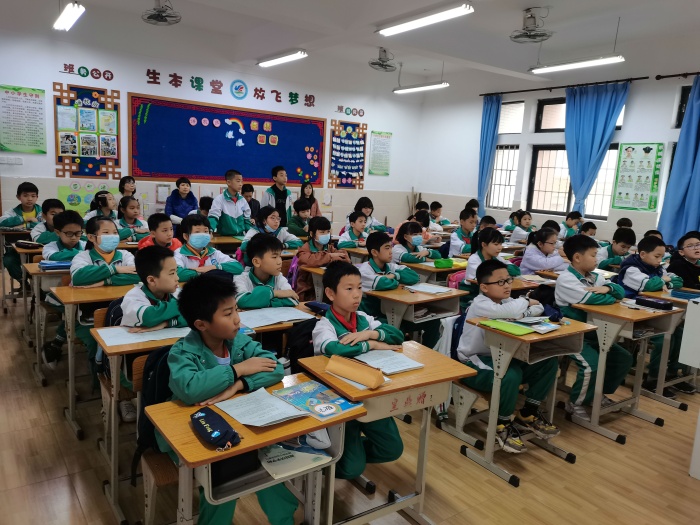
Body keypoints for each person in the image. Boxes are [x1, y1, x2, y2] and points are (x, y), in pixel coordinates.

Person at [161, 273, 299, 525]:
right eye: (228, 313)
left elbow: (276, 368)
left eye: (236, 309)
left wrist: (239, 385)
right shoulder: (182, 352)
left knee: (268, 467)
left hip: (239, 424)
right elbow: (190, 389)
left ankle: (284, 519)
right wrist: (238, 370)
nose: (237, 318)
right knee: (225, 477)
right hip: (194, 434)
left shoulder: (238, 341)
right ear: (201, 324)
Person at [312, 261, 404, 479]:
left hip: (371, 392)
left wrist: (370, 334)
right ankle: (324, 461)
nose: (357, 294)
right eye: (349, 288)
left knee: (392, 448)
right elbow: (335, 349)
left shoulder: (364, 320)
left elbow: (397, 336)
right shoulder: (324, 326)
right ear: (330, 294)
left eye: (360, 287)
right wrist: (372, 345)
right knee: (352, 469)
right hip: (340, 401)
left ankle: (352, 453)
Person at [457, 259, 560, 453]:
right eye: (500, 282)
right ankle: (501, 424)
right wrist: (526, 302)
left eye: (508, 280)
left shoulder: (505, 301)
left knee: (547, 362)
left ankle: (528, 413)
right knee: (510, 374)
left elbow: (538, 308)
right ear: (484, 287)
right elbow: (516, 309)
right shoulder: (480, 304)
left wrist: (522, 310)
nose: (507, 285)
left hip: (502, 356)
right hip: (475, 362)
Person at [555, 235, 632, 420]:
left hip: (593, 333)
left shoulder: (595, 276)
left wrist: (608, 289)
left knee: (623, 358)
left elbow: (620, 291)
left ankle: (597, 394)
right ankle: (575, 403)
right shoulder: (566, 279)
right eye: (593, 255)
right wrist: (609, 295)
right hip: (571, 334)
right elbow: (591, 299)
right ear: (577, 257)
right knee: (592, 365)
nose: (597, 259)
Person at [615, 235, 689, 395]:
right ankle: (653, 379)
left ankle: (670, 373)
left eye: (662, 256)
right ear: (642, 254)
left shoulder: (656, 268)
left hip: (651, 311)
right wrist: (664, 280)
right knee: (664, 337)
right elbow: (649, 285)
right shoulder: (631, 269)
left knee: (679, 332)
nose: (660, 260)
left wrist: (665, 281)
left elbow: (678, 281)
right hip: (631, 314)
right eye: (657, 256)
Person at [70, 217, 140, 378]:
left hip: (124, 313)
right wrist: (115, 270)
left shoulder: (125, 255)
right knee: (95, 343)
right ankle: (100, 380)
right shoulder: (83, 257)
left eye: (115, 232)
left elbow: (138, 275)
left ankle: (122, 379)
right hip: (90, 316)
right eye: (106, 233)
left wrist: (105, 281)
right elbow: (79, 277)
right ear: (91, 237)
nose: (113, 236)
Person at [40, 211, 86, 368]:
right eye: (69, 233)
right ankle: (57, 343)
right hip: (53, 292)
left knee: (82, 310)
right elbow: (55, 257)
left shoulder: (85, 245)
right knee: (77, 310)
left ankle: (56, 343)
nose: (74, 237)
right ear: (57, 232)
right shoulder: (50, 247)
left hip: (79, 290)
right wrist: (81, 255)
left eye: (78, 233)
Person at [121, 246, 187, 330]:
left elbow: (195, 317)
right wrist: (183, 304)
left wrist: (167, 323)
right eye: (172, 273)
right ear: (151, 280)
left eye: (176, 272)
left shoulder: (176, 292)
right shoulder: (133, 297)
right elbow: (149, 317)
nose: (177, 278)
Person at [359, 231, 420, 318]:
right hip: (372, 315)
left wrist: (394, 276)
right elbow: (382, 283)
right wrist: (398, 281)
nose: (391, 251)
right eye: (387, 248)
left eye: (391, 247)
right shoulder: (365, 270)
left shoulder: (390, 266)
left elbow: (414, 276)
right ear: (374, 252)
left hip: (389, 310)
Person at [234, 235, 299, 309]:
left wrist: (257, 301)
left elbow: (293, 300)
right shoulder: (241, 279)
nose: (280, 262)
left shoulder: (278, 278)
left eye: (280, 256)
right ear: (256, 262)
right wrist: (274, 293)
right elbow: (242, 301)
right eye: (274, 257)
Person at [174, 215, 243, 281]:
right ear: (186, 236)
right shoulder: (179, 254)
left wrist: (214, 267)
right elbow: (177, 273)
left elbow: (238, 267)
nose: (203, 235)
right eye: (197, 232)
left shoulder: (213, 252)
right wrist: (208, 272)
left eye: (206, 231)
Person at [296, 217, 349, 301]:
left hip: (327, 286)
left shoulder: (329, 247)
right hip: (309, 290)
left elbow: (344, 258)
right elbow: (311, 261)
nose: (326, 235)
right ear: (312, 233)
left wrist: (332, 256)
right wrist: (330, 256)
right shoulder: (305, 249)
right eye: (322, 232)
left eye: (328, 231)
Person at [0, 182, 41, 284]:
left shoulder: (42, 212)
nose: (29, 199)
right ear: (18, 197)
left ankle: (37, 286)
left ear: (37, 197)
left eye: (33, 196)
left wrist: (25, 225)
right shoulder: (12, 212)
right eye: (25, 195)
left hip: (38, 250)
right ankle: (23, 283)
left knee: (40, 260)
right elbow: (2, 222)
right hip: (15, 250)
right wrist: (24, 218)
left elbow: (46, 225)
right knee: (8, 260)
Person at [208, 170, 251, 236]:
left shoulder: (242, 200)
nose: (241, 184)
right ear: (228, 182)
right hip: (224, 237)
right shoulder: (219, 199)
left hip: (240, 237)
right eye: (238, 181)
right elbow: (213, 216)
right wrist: (210, 231)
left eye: (241, 181)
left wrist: (250, 234)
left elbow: (247, 219)